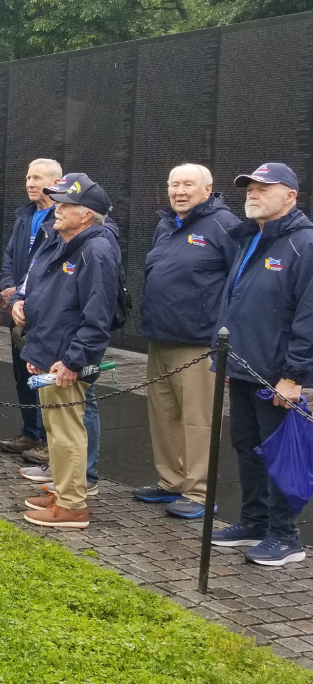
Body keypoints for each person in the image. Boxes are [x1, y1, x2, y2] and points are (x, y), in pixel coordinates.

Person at [209, 162, 313, 566]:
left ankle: (285, 537)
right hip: (244, 368)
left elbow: (308, 316)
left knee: (279, 455)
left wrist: (293, 377)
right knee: (247, 448)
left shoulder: (303, 244)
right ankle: (253, 520)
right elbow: (234, 301)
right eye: (250, 188)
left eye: (264, 188)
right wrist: (226, 361)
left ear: (291, 196)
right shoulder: (252, 238)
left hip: (278, 376)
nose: (252, 194)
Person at [134, 164, 241, 519]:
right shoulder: (166, 225)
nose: (180, 191)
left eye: (188, 185)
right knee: (163, 415)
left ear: (208, 189)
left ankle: (198, 493)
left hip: (199, 342)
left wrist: (223, 338)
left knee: (198, 421)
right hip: (160, 335)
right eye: (174, 184)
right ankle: (170, 482)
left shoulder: (224, 225)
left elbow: (236, 284)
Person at [13, 173, 119, 529]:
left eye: (65, 204)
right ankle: (62, 490)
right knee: (55, 430)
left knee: (67, 431)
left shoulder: (97, 250)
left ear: (87, 214)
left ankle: (73, 505)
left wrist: (73, 360)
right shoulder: (60, 241)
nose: (56, 209)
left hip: (65, 359)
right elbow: (44, 295)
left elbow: (97, 315)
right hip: (48, 351)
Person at [0, 158, 60, 457]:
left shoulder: (60, 217)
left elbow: (50, 267)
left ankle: (49, 441)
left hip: (43, 310)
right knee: (22, 373)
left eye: (37, 178)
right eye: (27, 177)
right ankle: (30, 432)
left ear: (55, 182)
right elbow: (10, 256)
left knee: (44, 373)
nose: (30, 183)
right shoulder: (23, 216)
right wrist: (12, 293)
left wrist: (24, 294)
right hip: (18, 309)